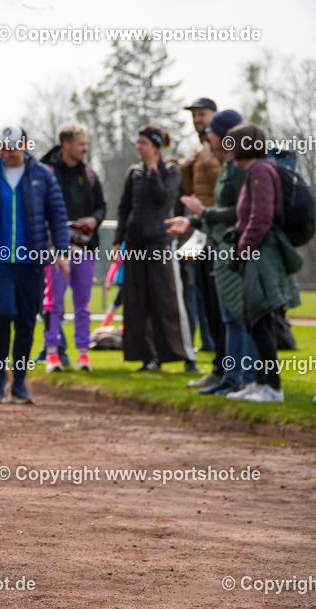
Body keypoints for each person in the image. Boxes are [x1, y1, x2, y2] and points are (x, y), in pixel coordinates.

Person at [0, 124, 69, 404]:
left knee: (26, 320)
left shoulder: (43, 176)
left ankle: (20, 383)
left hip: (32, 262)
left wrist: (62, 251)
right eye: (3, 147)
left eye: (12, 148)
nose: (8, 153)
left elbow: (57, 214)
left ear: (24, 146)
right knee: (4, 312)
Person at [166, 109, 256, 396]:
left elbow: (240, 211)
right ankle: (231, 376)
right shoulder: (228, 164)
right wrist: (192, 220)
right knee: (227, 317)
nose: (209, 137)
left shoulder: (239, 167)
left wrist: (203, 213)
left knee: (238, 317)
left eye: (213, 133)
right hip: (217, 243)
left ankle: (246, 379)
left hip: (234, 247)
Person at [221, 123, 296, 403]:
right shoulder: (255, 171)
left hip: (261, 253)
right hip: (255, 251)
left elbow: (261, 217)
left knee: (261, 318)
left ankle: (272, 387)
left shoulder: (261, 171)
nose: (226, 151)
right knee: (253, 320)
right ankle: (260, 382)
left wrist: (243, 248)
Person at [113, 126, 196, 372]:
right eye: (138, 142)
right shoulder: (133, 173)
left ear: (156, 147)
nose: (138, 147)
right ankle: (148, 357)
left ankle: (186, 355)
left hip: (160, 243)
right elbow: (124, 207)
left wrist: (152, 169)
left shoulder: (170, 171)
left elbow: (162, 196)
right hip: (135, 244)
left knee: (168, 300)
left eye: (144, 143)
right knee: (137, 303)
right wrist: (118, 240)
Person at [40, 123, 107, 372]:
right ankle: (52, 353)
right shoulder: (46, 173)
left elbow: (101, 206)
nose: (85, 149)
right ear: (66, 145)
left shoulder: (89, 173)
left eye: (86, 144)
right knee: (54, 302)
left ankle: (83, 354)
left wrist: (94, 220)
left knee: (83, 304)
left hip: (85, 248)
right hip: (55, 249)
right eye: (81, 144)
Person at [179, 97, 226, 388]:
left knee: (221, 305)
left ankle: (229, 368)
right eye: (195, 115)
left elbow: (227, 187)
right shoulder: (201, 149)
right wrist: (186, 168)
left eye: (202, 114)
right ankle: (219, 367)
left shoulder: (222, 148)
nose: (198, 119)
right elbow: (192, 190)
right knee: (207, 302)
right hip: (201, 232)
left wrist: (207, 162)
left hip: (219, 232)